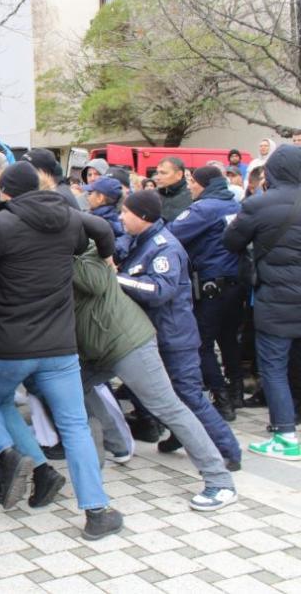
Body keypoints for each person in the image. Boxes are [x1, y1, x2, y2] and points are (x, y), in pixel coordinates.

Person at [0, 161, 123, 540]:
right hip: (59, 346)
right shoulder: (68, 218)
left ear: (6, 192)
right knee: (75, 425)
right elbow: (100, 227)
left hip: (9, 346)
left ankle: (8, 453)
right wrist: (105, 256)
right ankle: (96, 512)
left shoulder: (1, 223)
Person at [72, 244, 238, 510]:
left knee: (169, 407)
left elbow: (95, 283)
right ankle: (118, 445)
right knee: (74, 386)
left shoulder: (85, 253)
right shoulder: (70, 252)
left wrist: (62, 259)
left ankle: (220, 481)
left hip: (128, 343)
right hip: (102, 348)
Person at [116, 190, 242, 469]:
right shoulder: (142, 240)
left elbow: (159, 290)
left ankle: (228, 450)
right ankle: (180, 435)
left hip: (175, 337)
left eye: (126, 212)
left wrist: (118, 280)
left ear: (144, 217)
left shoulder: (165, 248)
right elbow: (123, 245)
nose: (121, 217)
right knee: (165, 396)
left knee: (189, 395)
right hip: (156, 334)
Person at [224, 144, 301, 460]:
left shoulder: (259, 204)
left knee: (273, 366)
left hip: (276, 299)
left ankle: (285, 435)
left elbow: (231, 241)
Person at [170, 166, 244, 419]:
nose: (189, 186)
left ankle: (221, 399)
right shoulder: (234, 204)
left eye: (192, 181)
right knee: (229, 339)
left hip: (211, 285)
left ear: (203, 184)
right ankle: (236, 393)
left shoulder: (203, 208)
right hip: (235, 282)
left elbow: (170, 234)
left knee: (201, 343)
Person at [85, 176, 130, 261]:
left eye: (91, 193)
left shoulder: (98, 223)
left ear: (100, 198)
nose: (88, 197)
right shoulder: (116, 220)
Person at [155, 157, 192, 222]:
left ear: (179, 174)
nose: (157, 177)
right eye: (157, 173)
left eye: (163, 173)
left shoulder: (193, 196)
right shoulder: (152, 195)